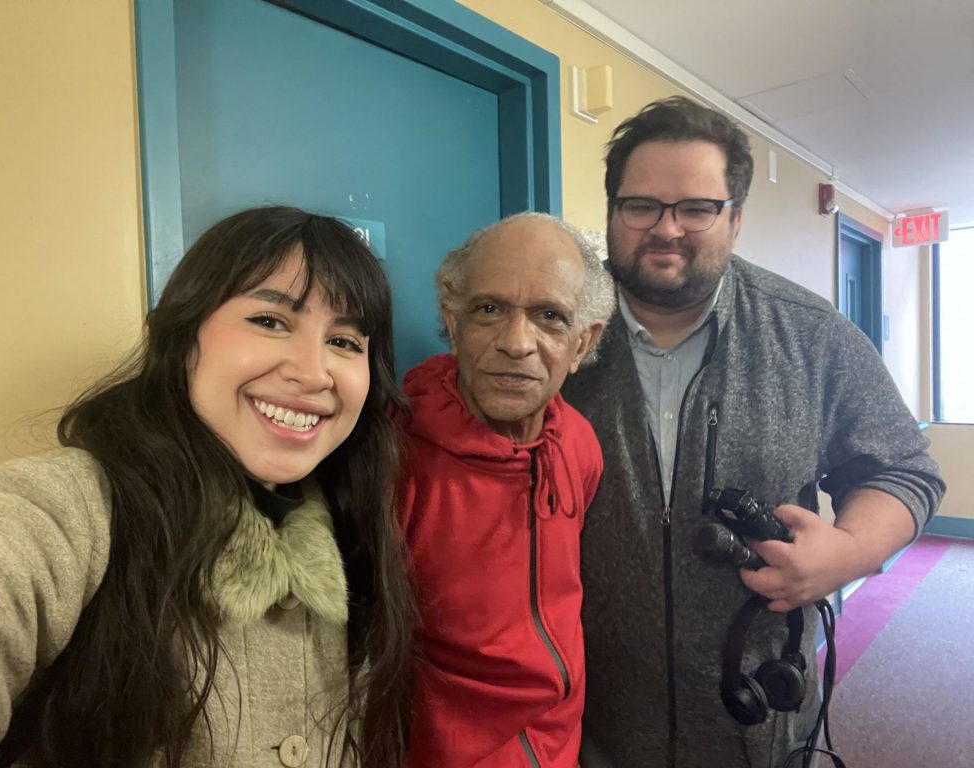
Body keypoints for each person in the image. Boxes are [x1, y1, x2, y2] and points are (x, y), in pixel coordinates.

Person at [0, 207, 414, 768]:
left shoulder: (353, 535)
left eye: (344, 342)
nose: (314, 373)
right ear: (184, 337)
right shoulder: (65, 506)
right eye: (270, 321)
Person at [562, 96, 946, 768]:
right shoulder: (557, 334)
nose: (666, 228)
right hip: (589, 725)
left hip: (755, 722)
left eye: (696, 208)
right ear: (613, 211)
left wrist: (849, 552)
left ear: (735, 219)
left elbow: (903, 469)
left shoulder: (811, 335)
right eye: (641, 205)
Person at [398, 213, 615, 767]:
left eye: (549, 317)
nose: (516, 343)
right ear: (453, 321)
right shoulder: (391, 456)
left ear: (581, 342)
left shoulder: (581, 445)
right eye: (488, 310)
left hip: (560, 749)